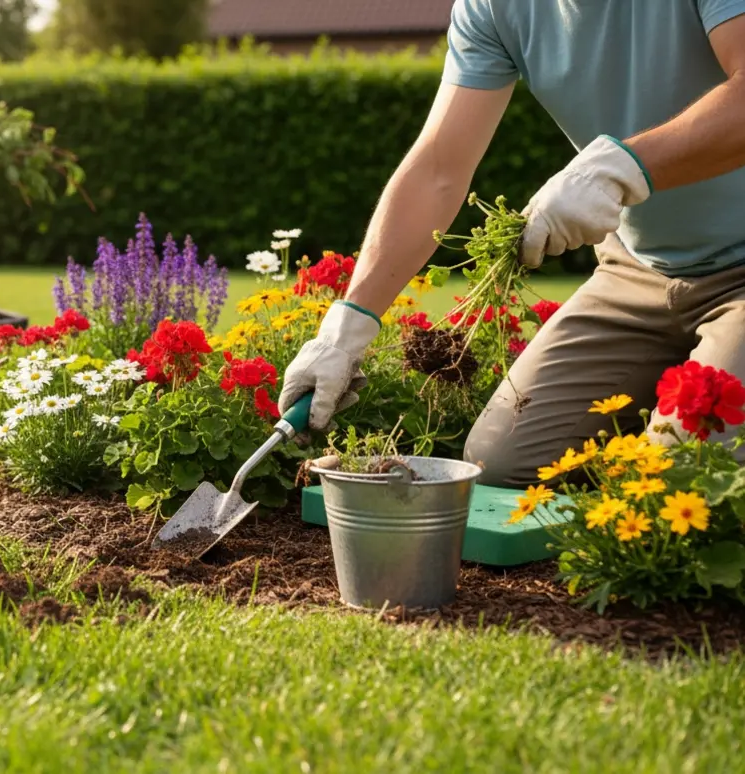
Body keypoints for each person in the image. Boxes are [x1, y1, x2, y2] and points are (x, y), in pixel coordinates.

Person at [278, 0, 745, 487]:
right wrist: (345, 329)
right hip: (638, 270)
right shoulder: (494, 7)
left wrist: (623, 167)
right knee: (501, 464)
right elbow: (438, 168)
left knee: (683, 476)